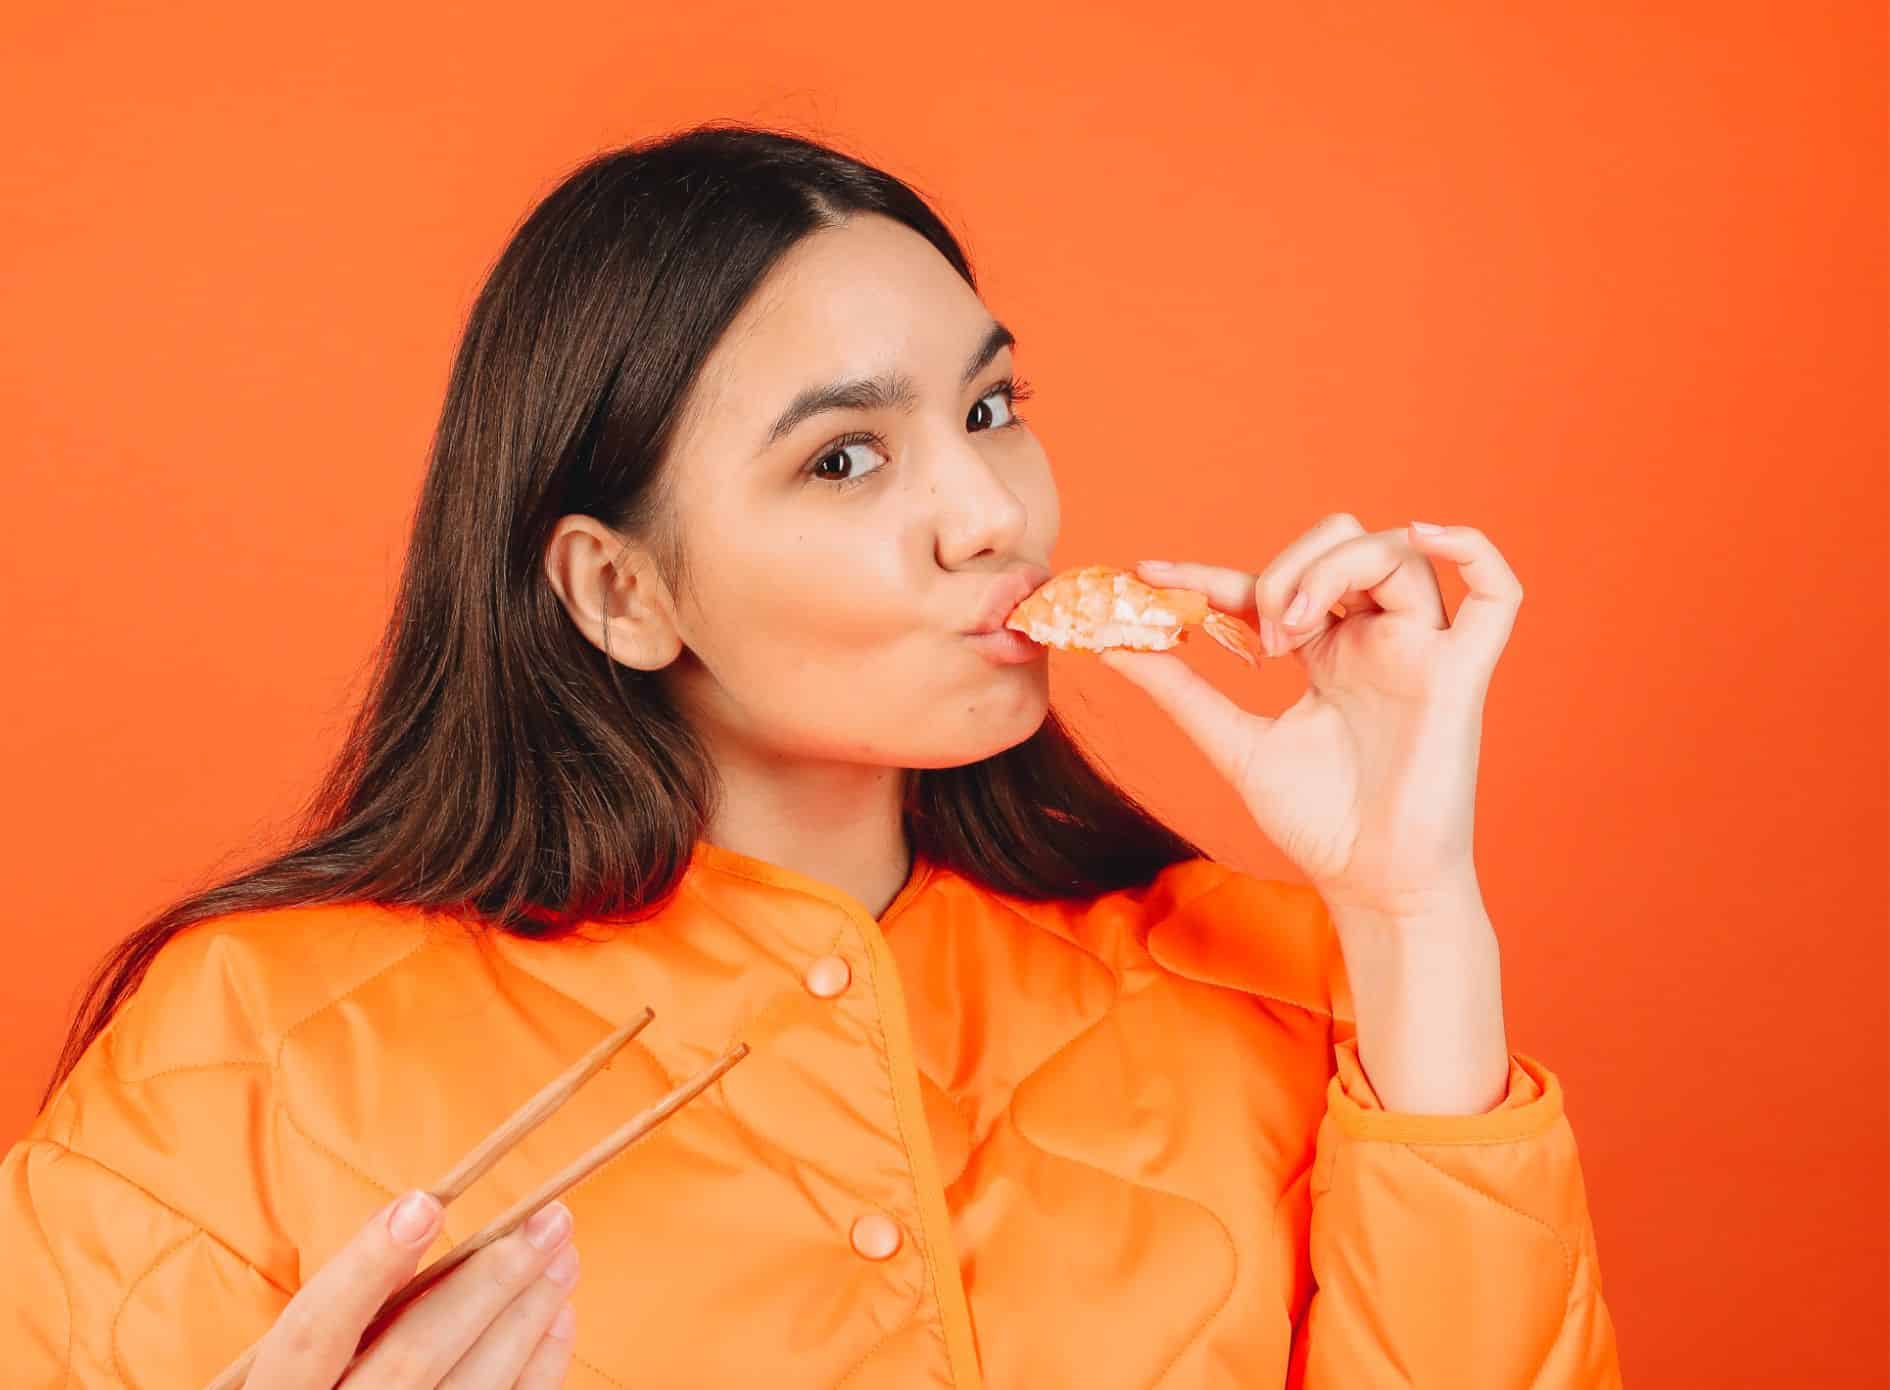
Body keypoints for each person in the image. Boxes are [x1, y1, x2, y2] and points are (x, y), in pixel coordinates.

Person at [0, 121, 1624, 1387]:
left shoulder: (1264, 985)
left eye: (989, 410)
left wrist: (1413, 920)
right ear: (621, 590)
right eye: (845, 458)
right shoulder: (250, 1043)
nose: (990, 516)